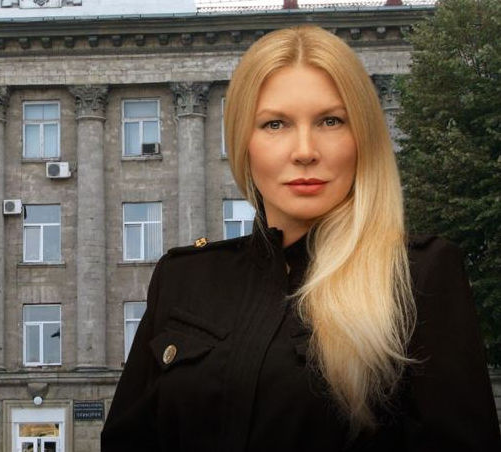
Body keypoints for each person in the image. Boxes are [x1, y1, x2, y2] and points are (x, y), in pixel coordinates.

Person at [101, 25, 500, 451]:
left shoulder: (417, 275)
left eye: (331, 121)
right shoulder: (183, 279)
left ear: (362, 138)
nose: (305, 150)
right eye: (275, 124)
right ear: (243, 142)